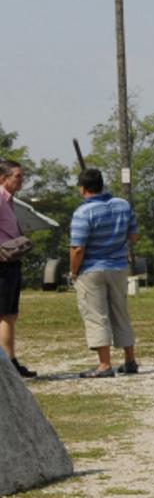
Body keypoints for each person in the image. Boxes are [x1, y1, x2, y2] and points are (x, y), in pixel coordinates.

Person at [68, 167, 140, 378]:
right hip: (118, 267)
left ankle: (104, 364)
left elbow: (78, 248)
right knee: (120, 311)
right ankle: (130, 359)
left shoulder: (83, 212)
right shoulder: (122, 205)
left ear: (82, 189)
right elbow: (134, 236)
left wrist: (73, 272)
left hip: (91, 269)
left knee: (97, 316)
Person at [0, 159, 35, 377]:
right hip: (2, 263)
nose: (21, 180)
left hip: (12, 262)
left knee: (10, 314)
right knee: (3, 314)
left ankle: (11, 359)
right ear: (3, 178)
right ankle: (8, 364)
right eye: (17, 176)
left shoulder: (9, 201)